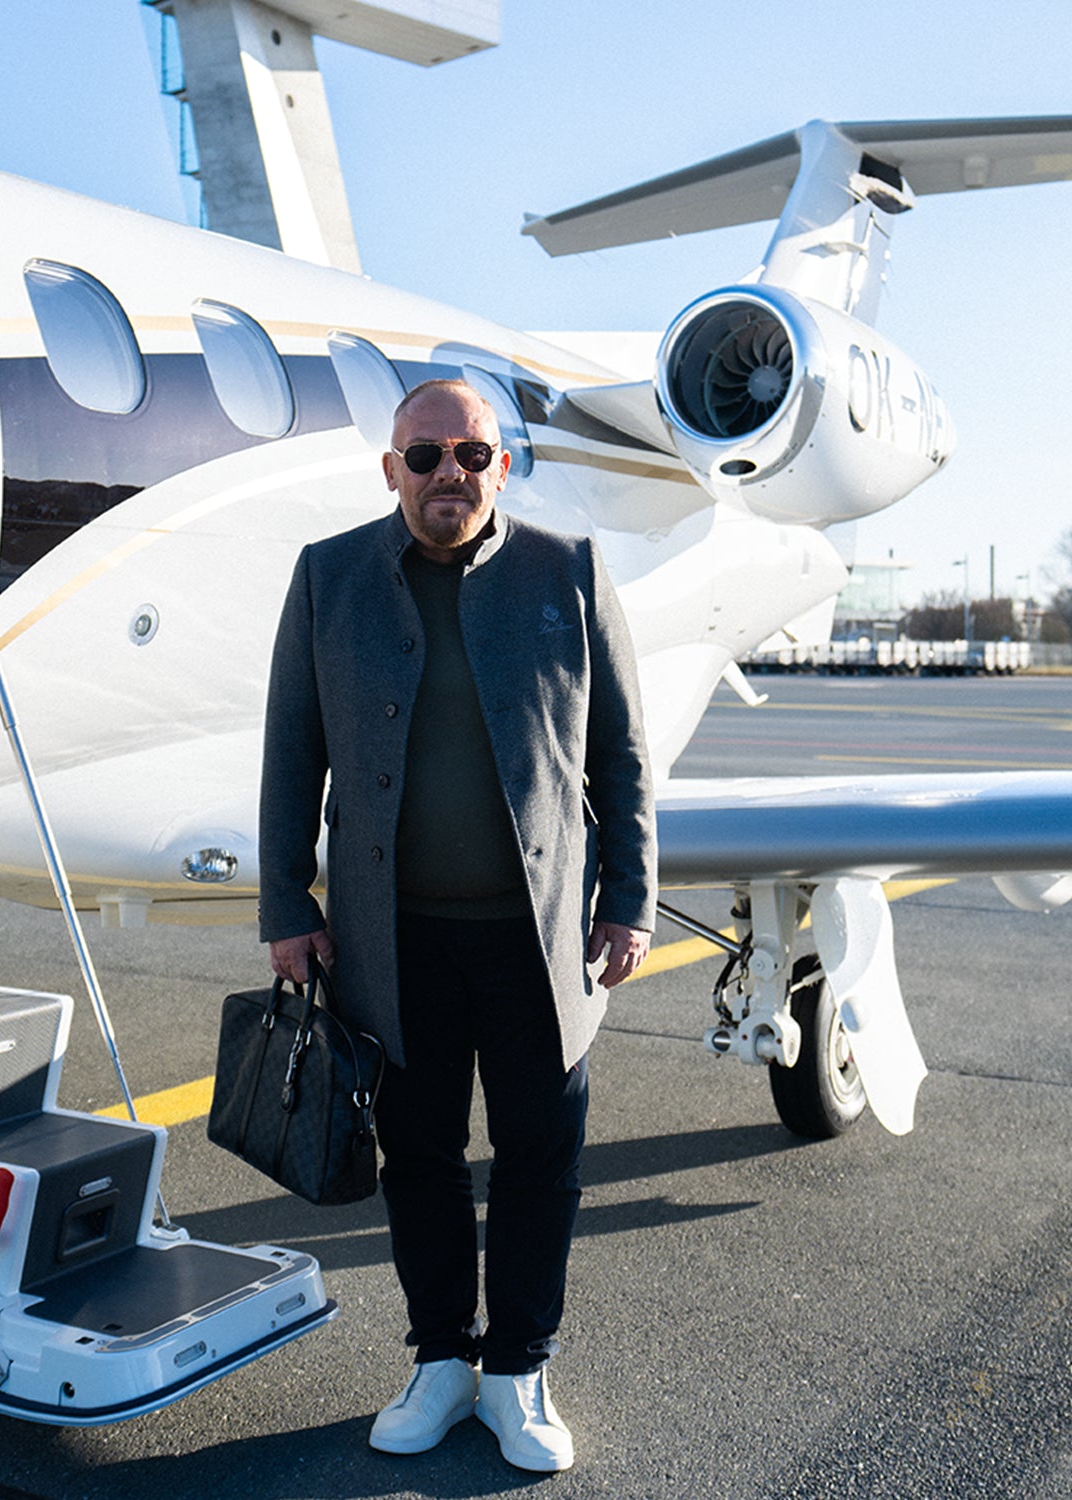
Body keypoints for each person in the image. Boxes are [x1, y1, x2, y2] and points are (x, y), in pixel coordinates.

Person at [258, 378, 656, 1472]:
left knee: (540, 1156)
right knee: (421, 1156)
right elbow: (292, 750)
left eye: (472, 455)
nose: (450, 473)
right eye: (426, 454)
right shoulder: (329, 576)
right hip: (395, 942)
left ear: (502, 468)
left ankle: (519, 1369)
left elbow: (621, 756)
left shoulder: (568, 572)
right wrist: (286, 904)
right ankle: (440, 1360)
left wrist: (629, 898)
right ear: (391, 468)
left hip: (541, 940)